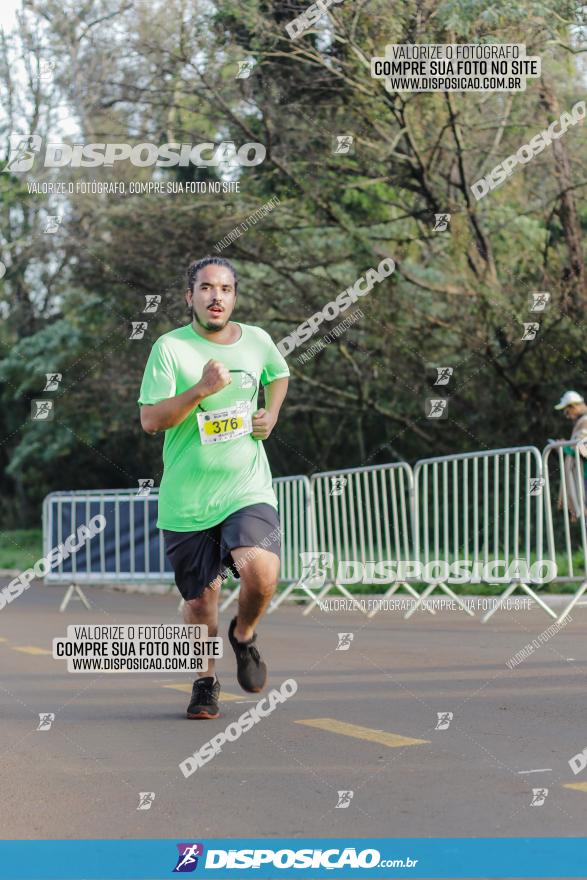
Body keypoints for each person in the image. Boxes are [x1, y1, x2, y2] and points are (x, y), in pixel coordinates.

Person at [138, 256, 289, 718]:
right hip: (187, 497)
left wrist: (271, 414)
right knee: (201, 600)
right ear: (190, 297)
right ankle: (205, 679)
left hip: (246, 485)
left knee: (261, 569)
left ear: (234, 296)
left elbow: (278, 375)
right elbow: (150, 420)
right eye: (205, 288)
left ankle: (243, 635)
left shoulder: (257, 340)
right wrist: (200, 390)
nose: (215, 296)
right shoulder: (169, 348)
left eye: (225, 288)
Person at [554, 390, 587, 521]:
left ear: (574, 406)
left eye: (567, 411)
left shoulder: (584, 422)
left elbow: (583, 449)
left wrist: (564, 447)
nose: (567, 416)